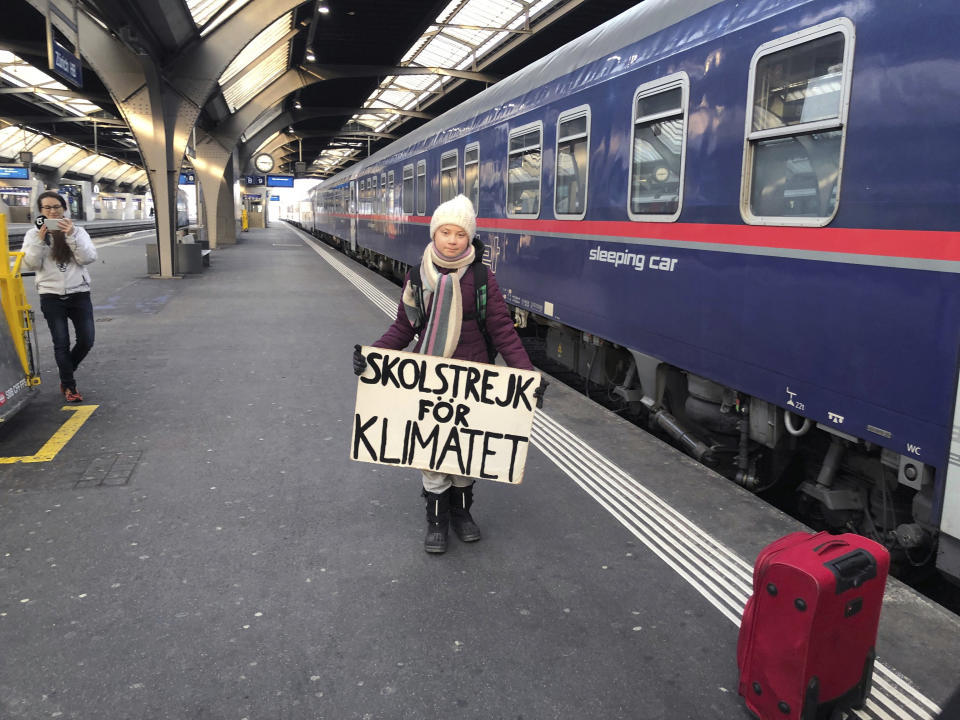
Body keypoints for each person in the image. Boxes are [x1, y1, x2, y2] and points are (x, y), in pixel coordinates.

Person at [353, 194, 545, 554]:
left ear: (470, 237)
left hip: (472, 378)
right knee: (431, 454)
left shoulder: (482, 277)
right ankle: (437, 522)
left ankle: (462, 515)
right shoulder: (417, 276)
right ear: (434, 234)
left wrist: (527, 375)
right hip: (427, 377)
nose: (453, 240)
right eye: (446, 232)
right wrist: (373, 356)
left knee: (464, 456)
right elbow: (404, 327)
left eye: (460, 233)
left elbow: (503, 329)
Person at [21, 190, 98, 403]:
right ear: (41, 211)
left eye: (56, 207)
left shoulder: (78, 231)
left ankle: (67, 371)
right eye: (47, 208)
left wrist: (71, 235)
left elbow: (88, 258)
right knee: (61, 342)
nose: (52, 212)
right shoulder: (32, 235)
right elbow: (31, 264)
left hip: (79, 294)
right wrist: (39, 239)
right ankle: (69, 386)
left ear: (64, 209)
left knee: (86, 340)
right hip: (51, 296)